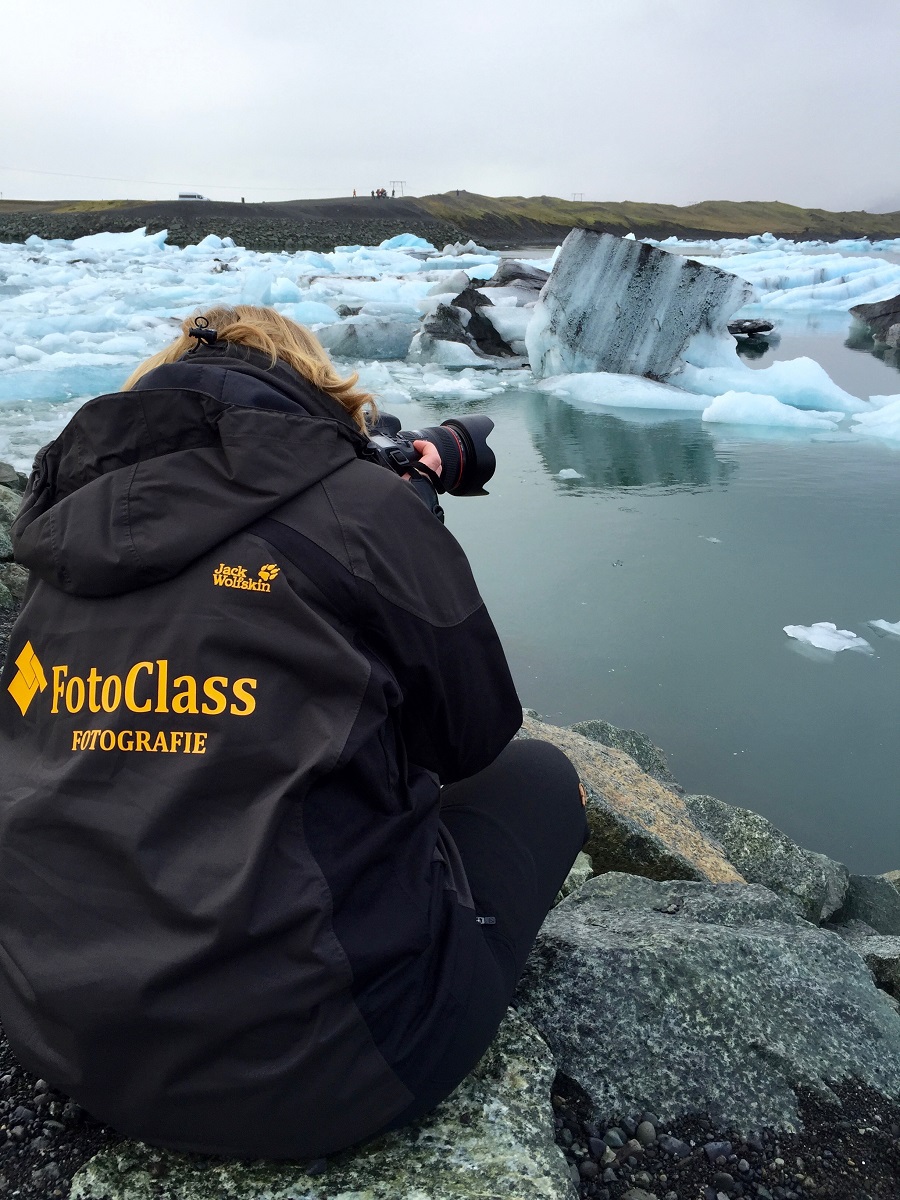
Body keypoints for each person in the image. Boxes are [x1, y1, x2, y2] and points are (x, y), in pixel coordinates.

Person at [0, 306, 587, 1161]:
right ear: (314, 391)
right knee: (540, 780)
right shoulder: (358, 511)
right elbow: (474, 735)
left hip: (62, 1034)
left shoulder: (60, 536)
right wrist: (406, 517)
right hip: (323, 1071)